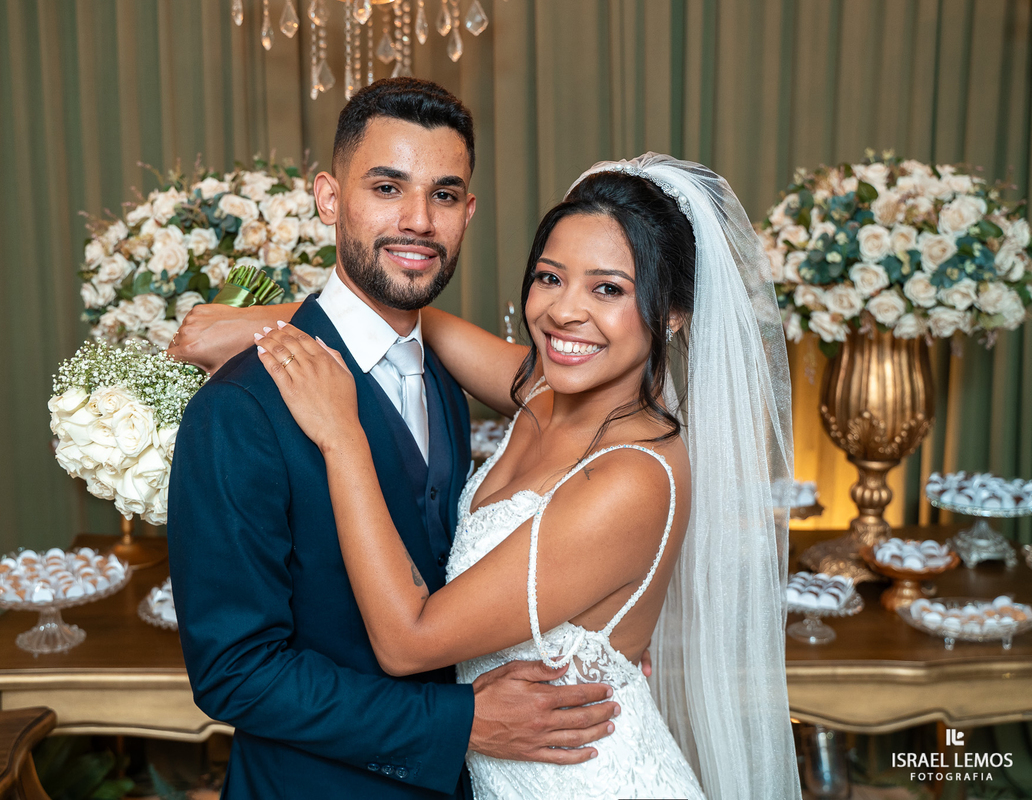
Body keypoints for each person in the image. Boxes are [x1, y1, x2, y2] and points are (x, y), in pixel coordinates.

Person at [224, 154, 801, 798]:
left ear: (672, 312)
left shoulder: (632, 477)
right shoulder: (542, 396)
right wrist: (274, 323)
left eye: (608, 289)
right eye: (550, 278)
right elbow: (419, 324)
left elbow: (409, 642)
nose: (565, 313)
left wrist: (342, 435)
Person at [167, 78, 624, 800]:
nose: (418, 220)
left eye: (444, 195)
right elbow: (236, 673)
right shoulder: (240, 408)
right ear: (328, 198)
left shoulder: (442, 369)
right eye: (387, 187)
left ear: (468, 212)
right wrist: (461, 723)